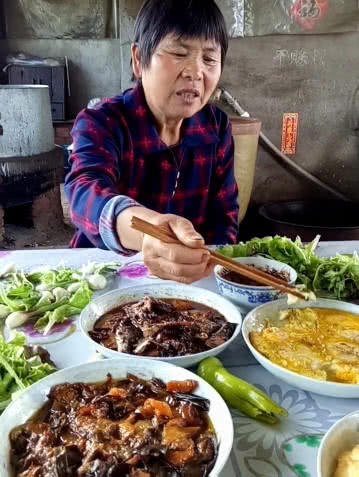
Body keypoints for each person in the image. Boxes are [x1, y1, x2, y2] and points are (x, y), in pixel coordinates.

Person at [65, 0, 239, 284]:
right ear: (138, 59)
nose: (195, 72)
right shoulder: (103, 122)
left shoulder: (216, 127)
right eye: (179, 52)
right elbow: (84, 193)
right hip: (104, 279)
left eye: (209, 59)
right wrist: (149, 232)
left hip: (190, 285)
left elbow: (225, 216)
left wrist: (210, 271)